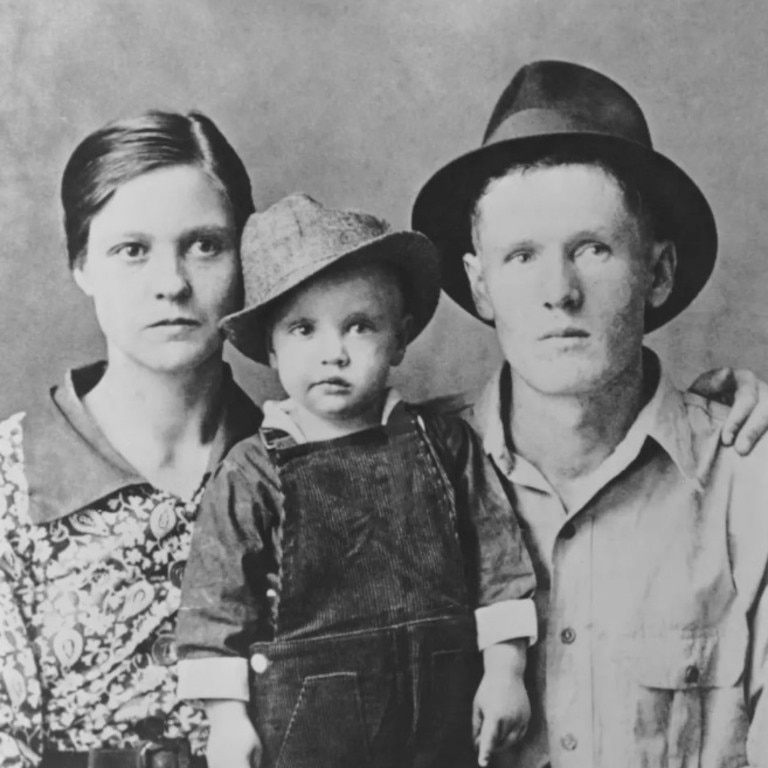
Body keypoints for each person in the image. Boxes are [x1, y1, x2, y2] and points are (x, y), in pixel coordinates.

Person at [412, 60, 768, 767]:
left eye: (593, 250)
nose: (559, 292)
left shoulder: (747, 482)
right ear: (480, 286)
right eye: (521, 256)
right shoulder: (406, 474)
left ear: (657, 273)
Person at [176, 193, 538, 768]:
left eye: (359, 326)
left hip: (441, 723)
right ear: (270, 346)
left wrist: (505, 671)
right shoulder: (253, 471)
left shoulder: (445, 446)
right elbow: (217, 607)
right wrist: (226, 720)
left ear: (398, 339)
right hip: (311, 731)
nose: (333, 354)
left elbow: (500, 568)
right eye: (303, 329)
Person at [0, 110, 262, 768]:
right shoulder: (11, 482)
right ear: (83, 264)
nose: (171, 282)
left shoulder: (297, 465)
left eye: (204, 245)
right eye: (132, 250)